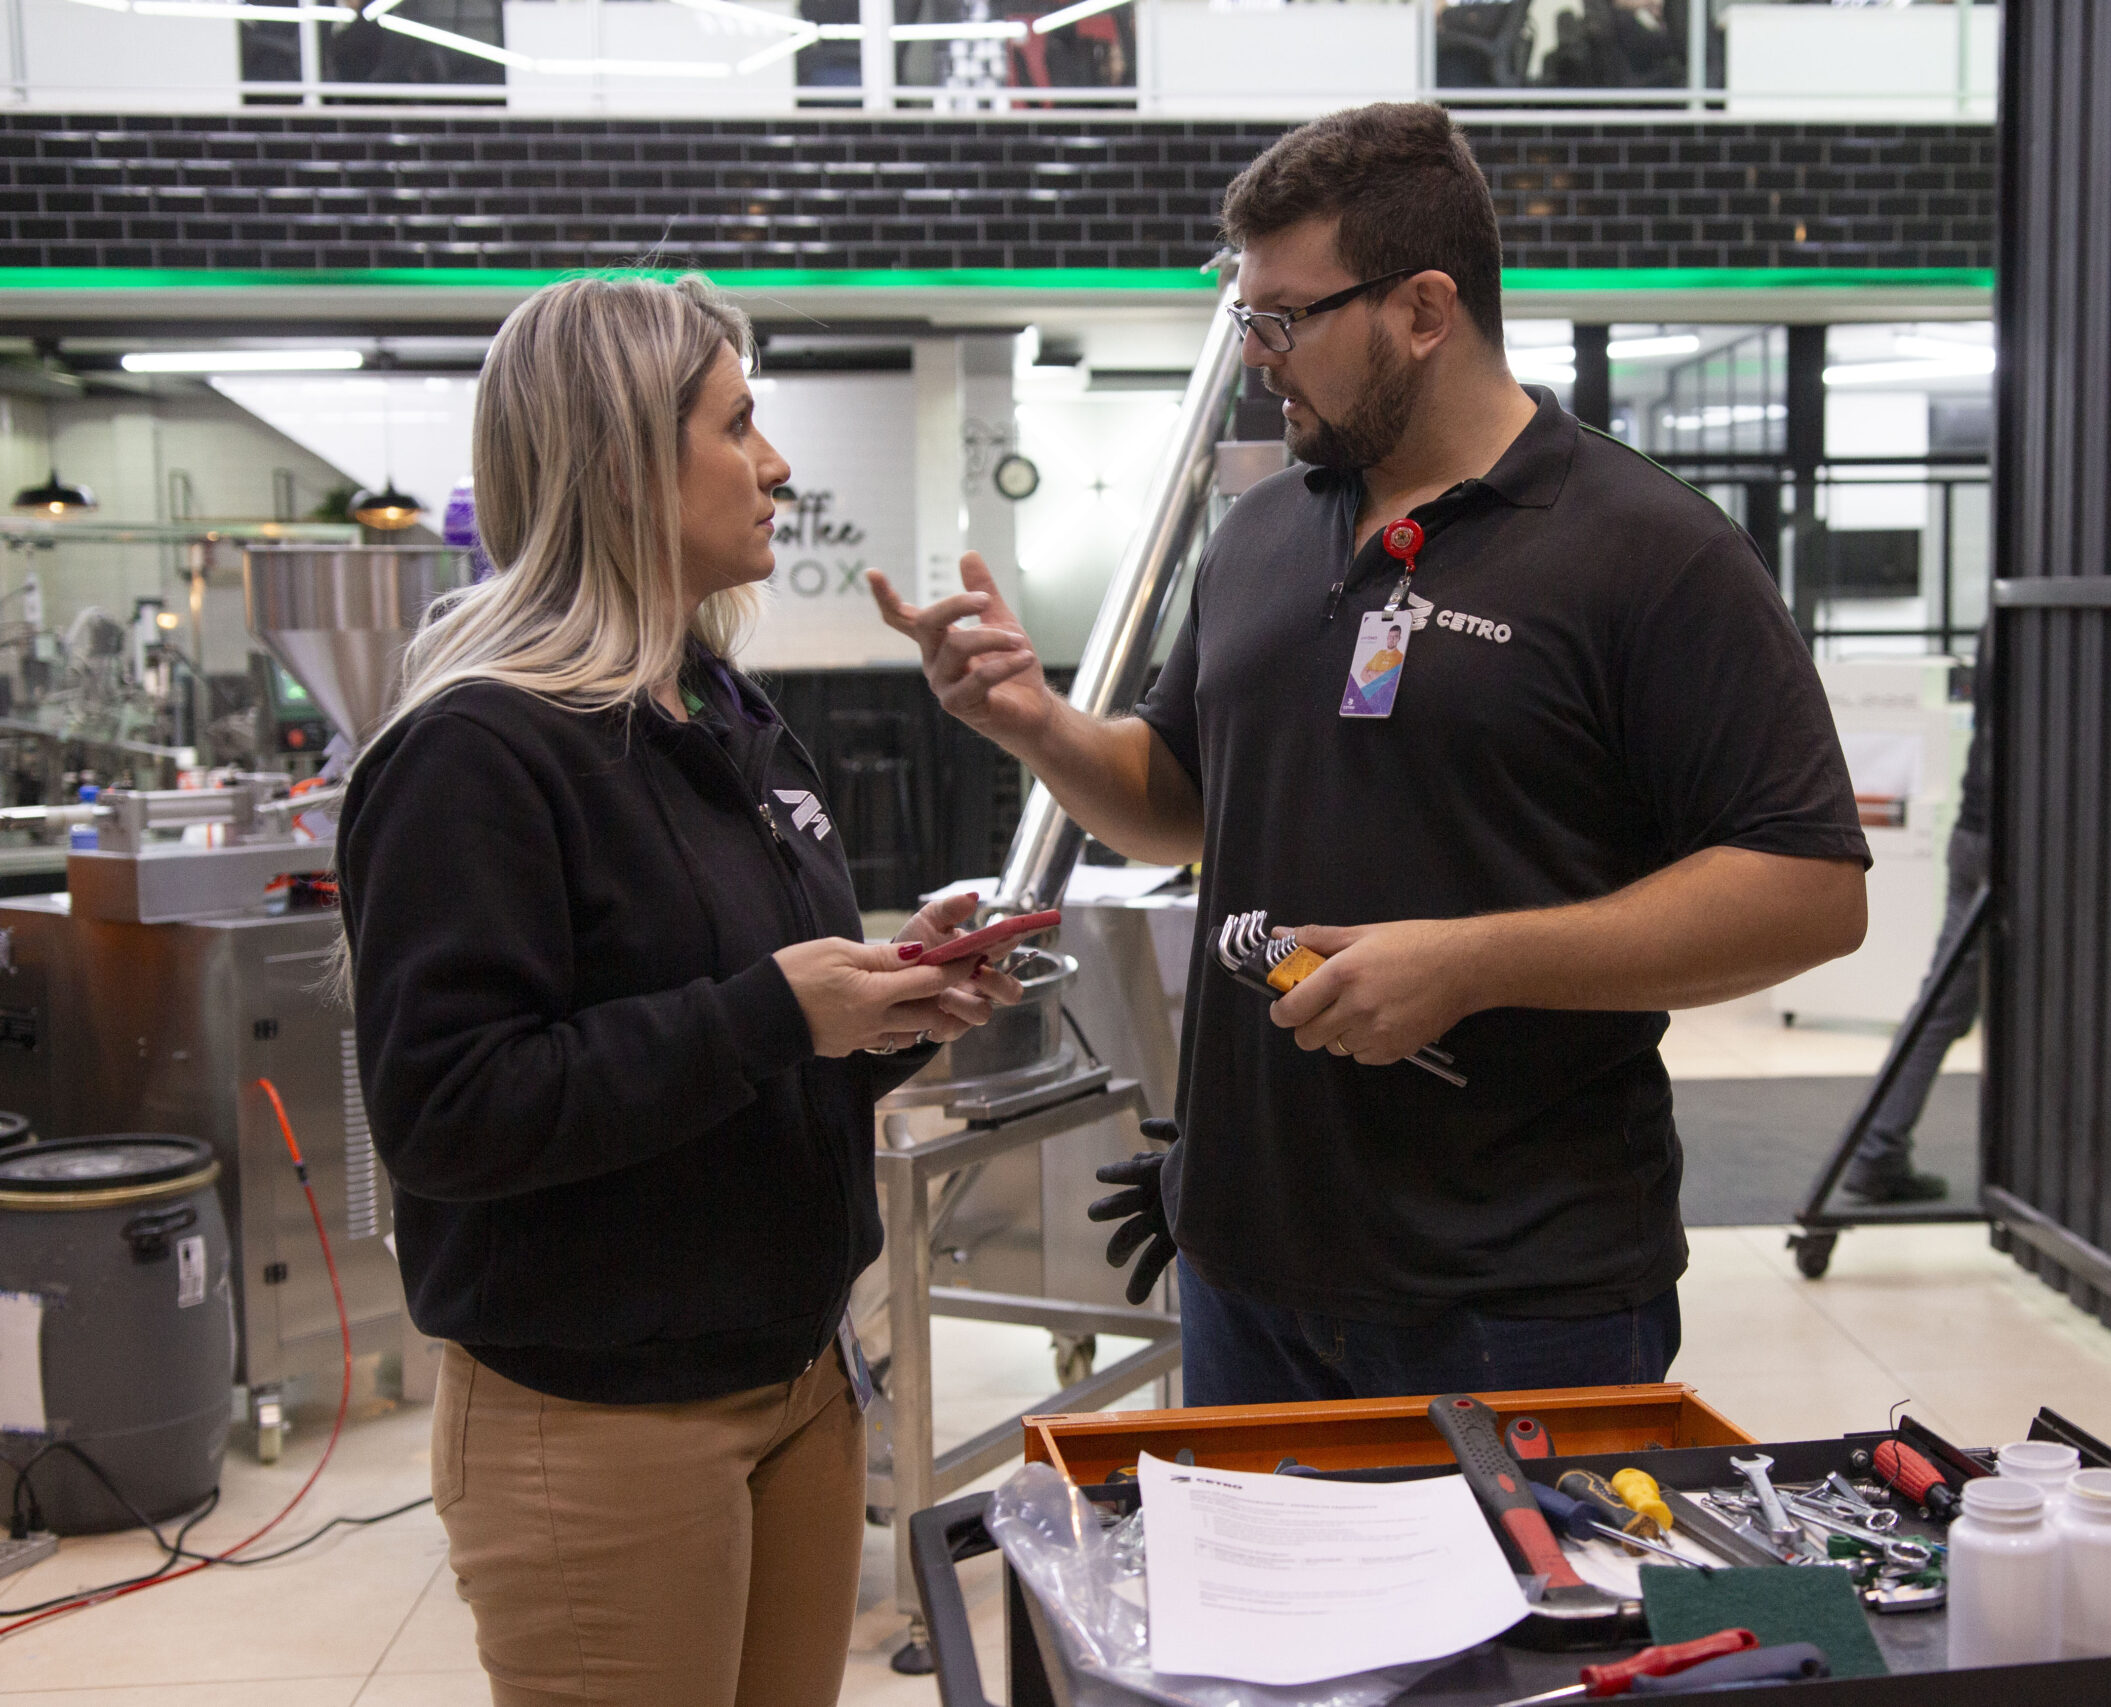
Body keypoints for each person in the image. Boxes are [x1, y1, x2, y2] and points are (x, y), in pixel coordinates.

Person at [869, 103, 1870, 1405]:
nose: (1260, 359)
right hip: (1244, 1267)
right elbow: (1178, 807)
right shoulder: (1263, 535)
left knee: (1523, 1621)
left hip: (1518, 1293)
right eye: (1249, 321)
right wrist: (1034, 720)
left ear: (1422, 308)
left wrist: (1472, 960)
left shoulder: (1651, 552)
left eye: (1286, 319)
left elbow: (1811, 886)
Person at [338, 274, 1019, 1707]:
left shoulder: (721, 710)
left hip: (798, 1379)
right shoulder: (480, 750)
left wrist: (893, 1002)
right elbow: (450, 1111)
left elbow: (752, 1040)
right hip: (602, 1420)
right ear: (623, 459)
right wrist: (776, 1011)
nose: (776, 464)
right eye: (739, 422)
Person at [1841, 640, 1992, 1203]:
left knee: (1940, 1008)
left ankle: (1877, 1149)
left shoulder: (2005, 612)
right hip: (2020, 832)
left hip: (1974, 830)